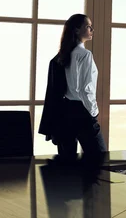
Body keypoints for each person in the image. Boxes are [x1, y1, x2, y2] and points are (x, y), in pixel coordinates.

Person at [39, 14, 106, 158]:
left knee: (67, 166)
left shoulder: (61, 56)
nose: (92, 29)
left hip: (64, 113)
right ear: (76, 30)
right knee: (100, 160)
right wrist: (94, 111)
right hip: (82, 112)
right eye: (88, 26)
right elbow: (84, 89)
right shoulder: (84, 54)